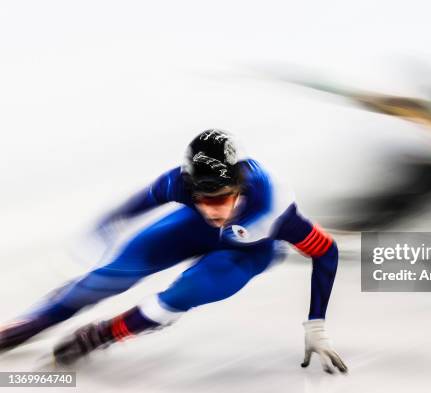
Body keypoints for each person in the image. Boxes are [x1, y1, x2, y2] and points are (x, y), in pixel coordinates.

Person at [0, 129, 347, 374]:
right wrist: (106, 227)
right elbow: (131, 207)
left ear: (240, 187)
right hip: (192, 231)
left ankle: (109, 333)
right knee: (104, 279)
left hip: (248, 251)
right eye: (201, 197)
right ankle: (35, 321)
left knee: (183, 292)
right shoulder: (179, 183)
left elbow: (325, 252)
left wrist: (316, 323)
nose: (211, 208)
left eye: (221, 198)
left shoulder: (275, 211)